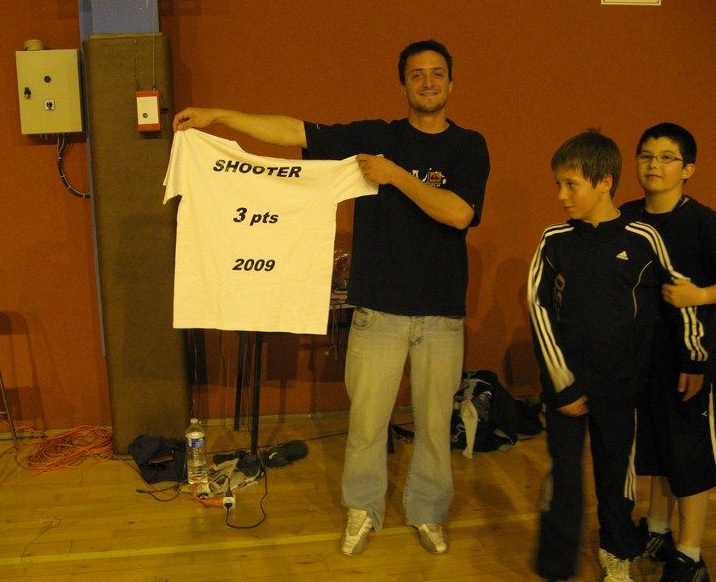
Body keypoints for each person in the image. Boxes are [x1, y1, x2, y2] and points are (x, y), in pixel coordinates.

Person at [172, 39, 490, 556]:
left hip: (440, 315)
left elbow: (458, 214)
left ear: (451, 83)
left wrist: (395, 175)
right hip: (378, 311)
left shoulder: (469, 146)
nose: (428, 82)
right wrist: (220, 116)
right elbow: (296, 131)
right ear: (403, 85)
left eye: (437, 73)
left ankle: (428, 512)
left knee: (435, 427)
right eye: (416, 74)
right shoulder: (377, 137)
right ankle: (362, 510)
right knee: (365, 425)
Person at [527, 130, 707, 582]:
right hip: (566, 390)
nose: (561, 195)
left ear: (604, 182)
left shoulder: (643, 237)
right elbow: (537, 307)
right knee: (564, 477)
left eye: (571, 185)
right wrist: (561, 383)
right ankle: (556, 565)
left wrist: (694, 357)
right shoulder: (554, 239)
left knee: (616, 477)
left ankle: (616, 551)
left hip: (621, 389)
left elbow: (677, 296)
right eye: (558, 185)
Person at [621, 123, 715, 582]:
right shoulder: (626, 217)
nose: (653, 165)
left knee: (687, 455)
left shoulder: (703, 223)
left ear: (688, 169)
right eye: (646, 155)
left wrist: (701, 296)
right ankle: (657, 530)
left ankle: (691, 555)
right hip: (642, 359)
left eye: (666, 157)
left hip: (688, 360)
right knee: (656, 448)